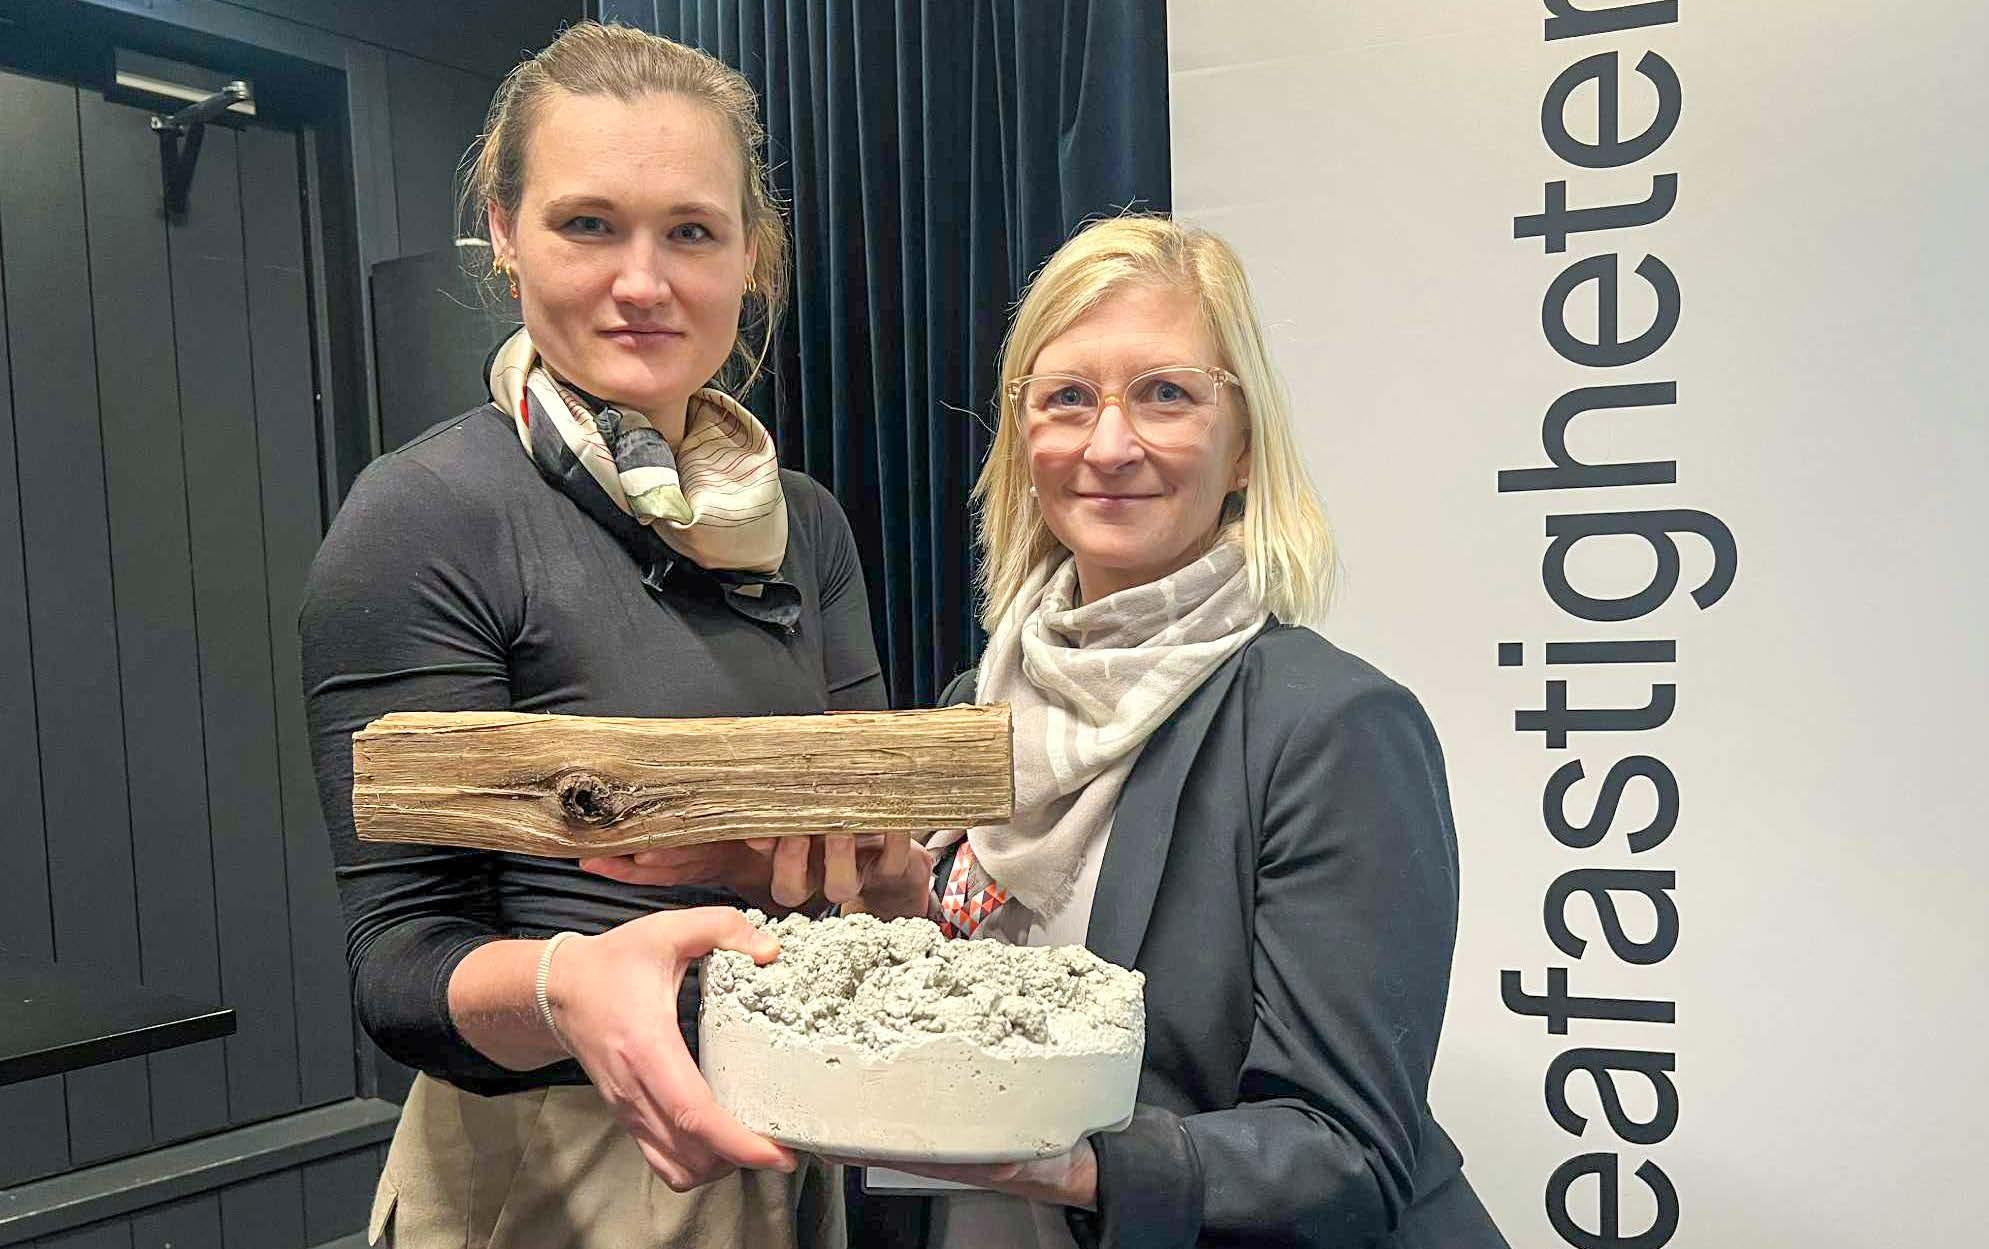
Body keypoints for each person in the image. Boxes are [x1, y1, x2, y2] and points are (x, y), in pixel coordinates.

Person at [300, 21, 904, 1249]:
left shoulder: (805, 524)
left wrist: (880, 873)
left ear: (751, 254)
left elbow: (874, 860)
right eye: (589, 224)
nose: (644, 281)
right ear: (504, 230)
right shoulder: (424, 517)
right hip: (553, 1167)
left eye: (691, 231)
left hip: (792, 1134)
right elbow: (400, 967)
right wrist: (567, 983)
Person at [839, 215, 1513, 1248]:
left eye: (1165, 394)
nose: (1110, 445)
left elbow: (1346, 1151)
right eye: (1068, 398)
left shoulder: (1331, 728)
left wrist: (1072, 1164)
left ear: (1241, 447)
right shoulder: (976, 704)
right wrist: (895, 921)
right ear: (1024, 444)